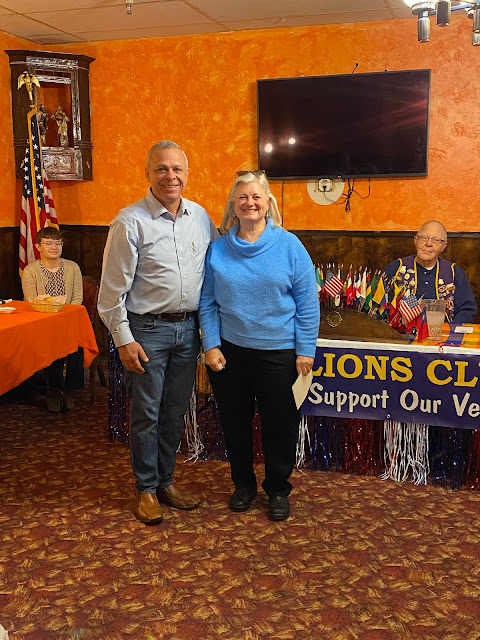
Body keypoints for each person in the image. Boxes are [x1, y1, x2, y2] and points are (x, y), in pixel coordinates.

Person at [98, 141, 218, 526]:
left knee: (174, 411)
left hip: (189, 330)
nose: (171, 176)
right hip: (146, 331)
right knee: (146, 413)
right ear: (147, 173)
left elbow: (218, 269)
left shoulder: (201, 217)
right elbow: (110, 293)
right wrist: (123, 339)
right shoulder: (129, 222)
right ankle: (146, 489)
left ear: (187, 173)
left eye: (177, 169)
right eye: (162, 169)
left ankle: (166, 482)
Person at [198, 171, 320, 522]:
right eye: (242, 197)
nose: (249, 202)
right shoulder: (218, 248)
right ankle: (243, 485)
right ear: (233, 205)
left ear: (268, 203)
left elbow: (308, 303)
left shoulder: (289, 245)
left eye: (256, 196)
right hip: (229, 354)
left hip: (279, 353)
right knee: (234, 422)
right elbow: (207, 302)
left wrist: (305, 350)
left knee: (280, 425)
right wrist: (211, 344)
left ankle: (278, 488)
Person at [21, 227, 84, 412]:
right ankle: (54, 390)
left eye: (58, 243)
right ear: (38, 246)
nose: (54, 247)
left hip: (69, 320)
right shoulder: (30, 271)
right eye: (48, 243)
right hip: (42, 322)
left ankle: (70, 389)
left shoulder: (73, 267)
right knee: (53, 343)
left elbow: (77, 299)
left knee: (77, 344)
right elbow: (31, 301)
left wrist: (63, 318)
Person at [384, 220, 477, 323]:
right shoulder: (396, 268)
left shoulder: (454, 272)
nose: (428, 244)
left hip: (443, 331)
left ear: (443, 246)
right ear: (416, 240)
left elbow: (466, 310)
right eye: (424, 238)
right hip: (402, 331)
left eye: (436, 240)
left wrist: (450, 330)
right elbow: (380, 307)